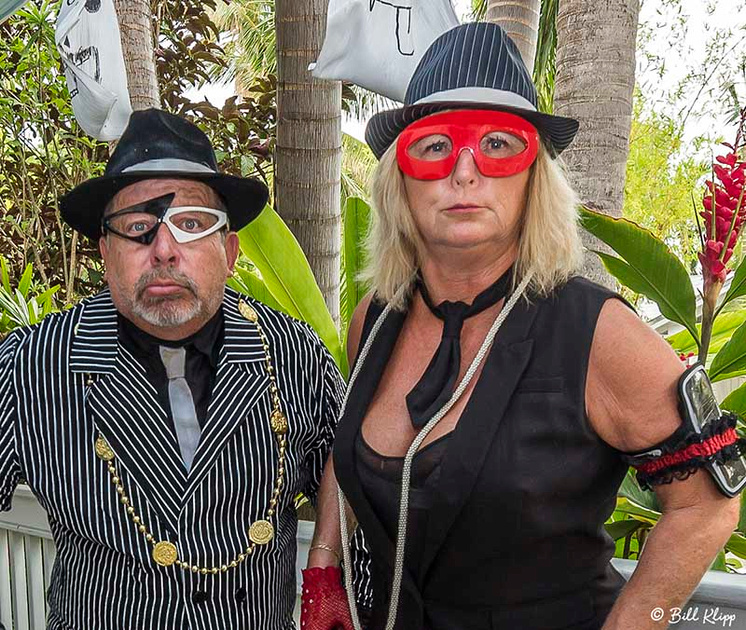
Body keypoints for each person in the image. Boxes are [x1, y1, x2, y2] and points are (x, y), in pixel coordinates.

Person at [306, 22, 744, 630]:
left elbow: (707, 504)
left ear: (533, 176)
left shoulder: (595, 332)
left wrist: (635, 624)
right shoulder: (376, 320)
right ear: (398, 182)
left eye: (498, 145)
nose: (465, 173)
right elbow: (346, 444)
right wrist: (324, 559)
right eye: (434, 146)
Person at [0, 109, 358, 630]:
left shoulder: (292, 353)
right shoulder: (33, 367)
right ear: (105, 251)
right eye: (138, 227)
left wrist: (326, 563)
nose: (164, 249)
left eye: (191, 225)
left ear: (229, 250)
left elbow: (352, 463)